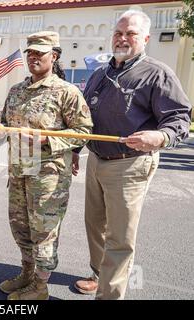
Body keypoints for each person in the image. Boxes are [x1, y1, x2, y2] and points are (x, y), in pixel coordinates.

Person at [73, 10, 192, 299]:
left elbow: (179, 119)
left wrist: (160, 136)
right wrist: (76, 150)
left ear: (146, 39)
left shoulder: (158, 73)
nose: (123, 38)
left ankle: (110, 295)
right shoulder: (100, 73)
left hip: (129, 165)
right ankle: (99, 274)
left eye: (131, 34)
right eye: (118, 33)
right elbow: (85, 116)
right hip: (96, 160)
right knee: (95, 225)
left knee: (119, 237)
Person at [0, 31, 93, 300]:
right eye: (30, 52)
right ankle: (27, 274)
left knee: (44, 232)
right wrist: (1, 131)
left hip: (48, 177)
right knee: (21, 227)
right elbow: (4, 122)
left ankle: (40, 287)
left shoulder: (67, 92)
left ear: (55, 56)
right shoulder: (16, 90)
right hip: (19, 172)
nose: (33, 57)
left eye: (40, 52)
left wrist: (45, 139)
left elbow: (84, 130)